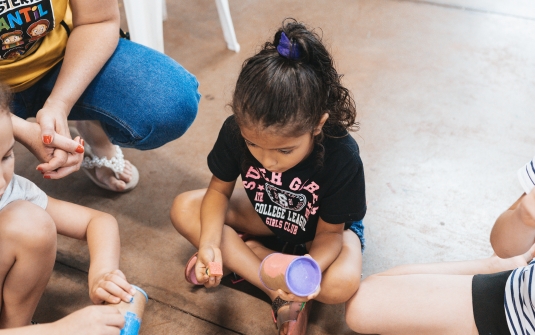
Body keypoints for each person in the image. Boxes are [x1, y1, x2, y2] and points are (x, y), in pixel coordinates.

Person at [170, 20, 366, 335]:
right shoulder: (234, 129)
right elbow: (218, 193)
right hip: (269, 215)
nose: (267, 160)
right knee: (184, 207)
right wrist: (209, 244)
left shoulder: (342, 154)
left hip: (325, 230)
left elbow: (331, 235)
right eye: (252, 145)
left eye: (285, 151)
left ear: (317, 124)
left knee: (339, 286)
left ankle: (254, 258)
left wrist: (308, 269)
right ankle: (274, 289)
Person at [1, 0, 200, 192]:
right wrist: (19, 129)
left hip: (64, 58)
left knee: (171, 102)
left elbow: (98, 20)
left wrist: (60, 103)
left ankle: (93, 130)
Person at [345, 157, 535, 335]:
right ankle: (498, 267)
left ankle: (504, 265)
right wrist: (524, 219)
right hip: (519, 303)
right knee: (363, 303)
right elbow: (504, 245)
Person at [0, 84, 134, 332]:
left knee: (31, 223)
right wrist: (59, 330)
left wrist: (102, 273)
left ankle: (16, 327)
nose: (1, 182)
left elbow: (98, 221)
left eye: (6, 156)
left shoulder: (10, 190)